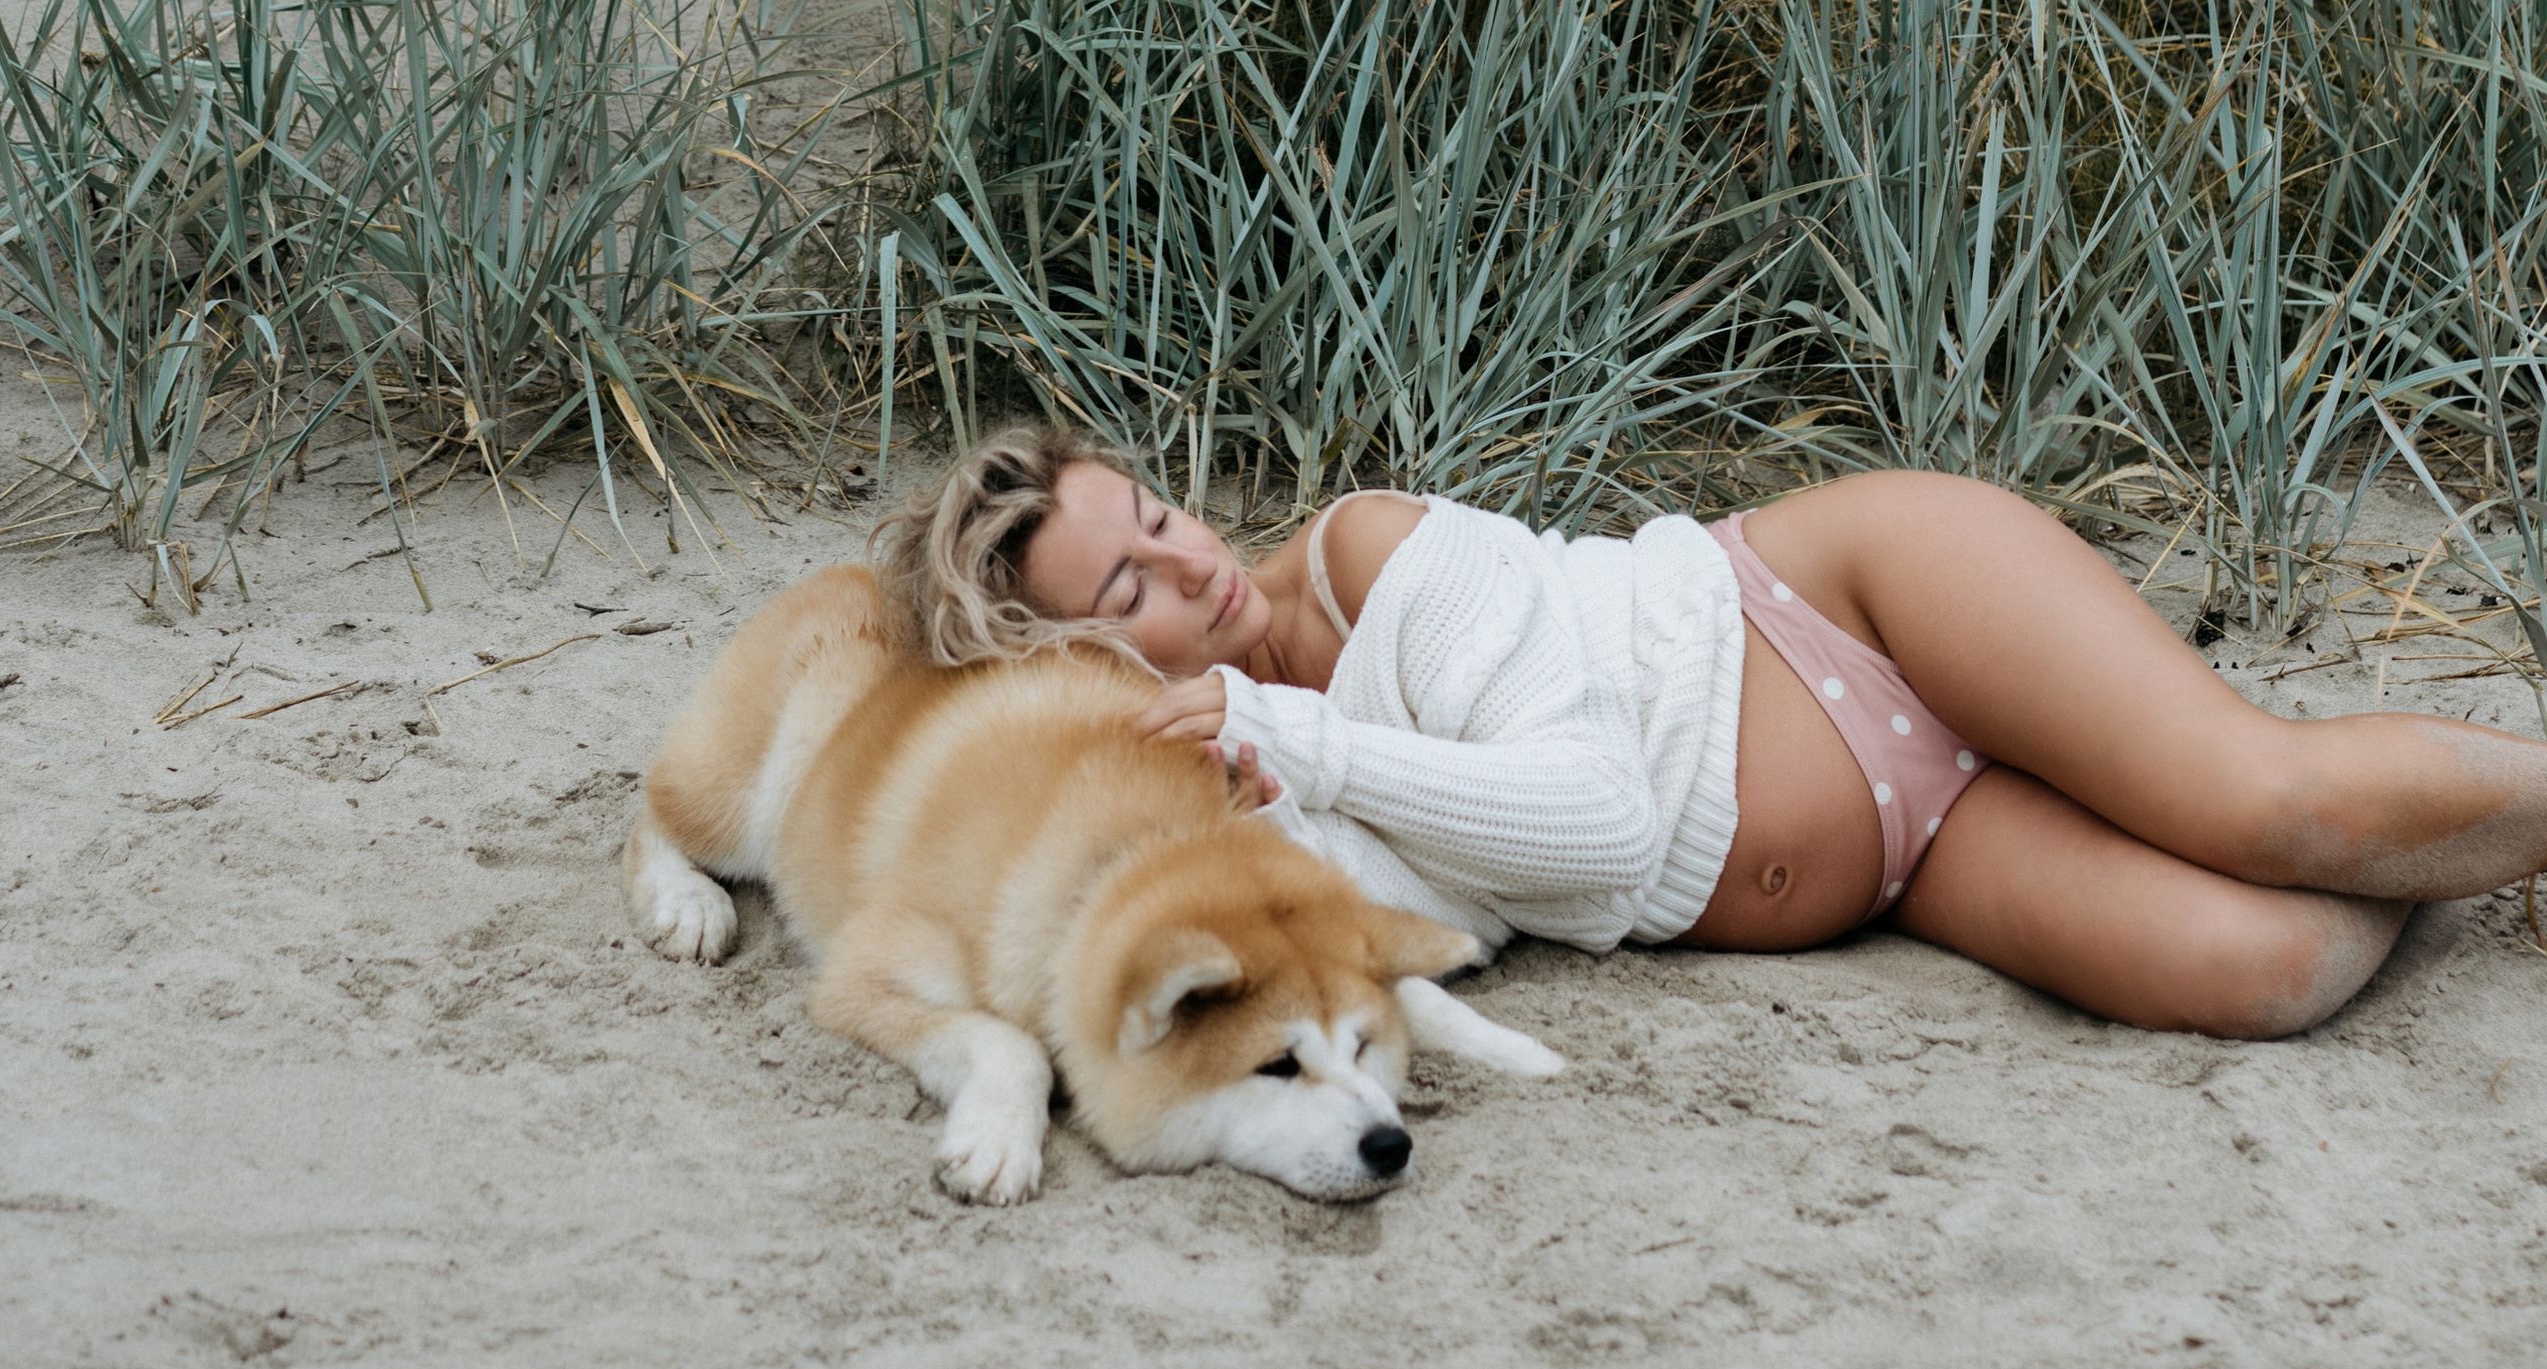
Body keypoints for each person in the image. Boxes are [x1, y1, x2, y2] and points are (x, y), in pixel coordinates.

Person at [872, 426, 2547, 1038]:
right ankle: (2435, 831)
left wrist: (1303, 744)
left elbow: (1598, 819)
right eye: (1135, 584)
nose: (1193, 561)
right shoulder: (1229, 776)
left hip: (1856, 610)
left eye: (1160, 512)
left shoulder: (1374, 559)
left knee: (2263, 800)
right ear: (1077, 652)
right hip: (1909, 859)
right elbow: (1451, 930)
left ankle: (2414, 792)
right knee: (2255, 967)